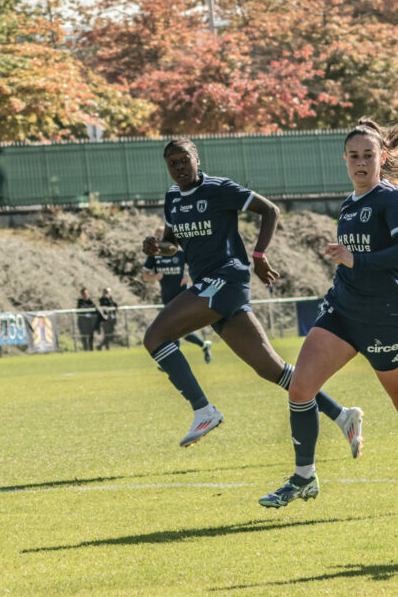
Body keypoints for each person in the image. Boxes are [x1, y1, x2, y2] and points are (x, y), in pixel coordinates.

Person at [259, 117, 398, 508]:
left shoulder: (391, 198)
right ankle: (303, 477)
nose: (361, 162)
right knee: (300, 388)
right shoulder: (348, 205)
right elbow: (361, 259)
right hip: (342, 311)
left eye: (368, 155)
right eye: (354, 156)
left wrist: (355, 258)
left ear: (382, 157)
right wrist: (347, 260)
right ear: (344, 159)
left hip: (382, 318)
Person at [141, 138, 364, 452]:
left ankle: (203, 410)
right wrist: (156, 247)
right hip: (212, 285)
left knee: (155, 337)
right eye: (172, 162)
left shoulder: (218, 189)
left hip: (225, 279)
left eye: (184, 160)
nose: (179, 167)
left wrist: (259, 255)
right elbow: (173, 244)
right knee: (272, 369)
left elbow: (269, 210)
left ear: (197, 159)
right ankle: (343, 416)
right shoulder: (172, 198)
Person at [142, 226, 213, 363]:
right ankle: (204, 345)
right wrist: (154, 277)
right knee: (176, 330)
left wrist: (188, 276)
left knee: (172, 328)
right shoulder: (155, 255)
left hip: (182, 295)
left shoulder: (179, 251)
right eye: (156, 237)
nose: (158, 241)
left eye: (161, 237)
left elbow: (197, 264)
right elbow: (145, 275)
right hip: (166, 296)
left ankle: (172, 362)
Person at [76, 287, 98, 351]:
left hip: (90, 322)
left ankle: (91, 349)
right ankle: (85, 349)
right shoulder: (80, 302)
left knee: (91, 336)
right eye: (83, 293)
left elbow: (95, 310)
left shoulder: (91, 301)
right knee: (83, 336)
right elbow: (78, 311)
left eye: (86, 293)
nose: (85, 295)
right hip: (82, 322)